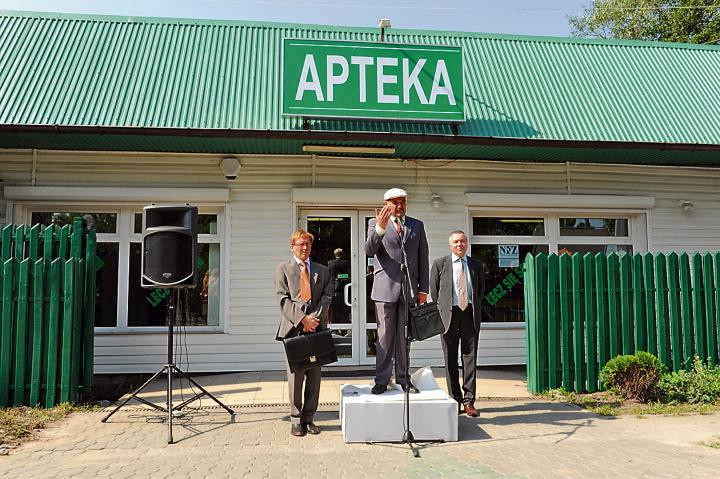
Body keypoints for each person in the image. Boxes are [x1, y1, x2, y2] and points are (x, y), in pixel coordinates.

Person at [365, 188, 429, 395]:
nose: (400, 206)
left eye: (403, 202)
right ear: (386, 204)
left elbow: (423, 257)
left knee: (404, 336)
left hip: (409, 288)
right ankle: (382, 380)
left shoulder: (416, 225)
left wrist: (423, 289)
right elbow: (369, 250)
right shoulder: (374, 223)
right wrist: (380, 229)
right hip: (385, 288)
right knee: (384, 337)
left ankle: (403, 378)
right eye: (395, 202)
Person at [275, 229, 332, 436]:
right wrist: (303, 319)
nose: (305, 247)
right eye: (300, 244)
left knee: (314, 377)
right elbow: (283, 299)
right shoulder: (283, 269)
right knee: (296, 378)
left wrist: (313, 319)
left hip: (316, 330)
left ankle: (309, 419)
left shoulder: (322, 270)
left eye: (308, 244)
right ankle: (296, 420)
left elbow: (327, 296)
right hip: (294, 331)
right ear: (292, 247)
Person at [430, 230, 485, 417]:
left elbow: (480, 291)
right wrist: (444, 311)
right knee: (450, 359)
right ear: (450, 245)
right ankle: (455, 399)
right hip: (449, 317)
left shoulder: (477, 265)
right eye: (455, 242)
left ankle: (469, 402)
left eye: (462, 241)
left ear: (467, 244)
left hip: (469, 314)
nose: (459, 244)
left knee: (470, 358)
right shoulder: (440, 264)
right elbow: (435, 292)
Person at [327, 248, 350, 323]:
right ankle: (343, 324)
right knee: (343, 308)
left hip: (333, 288)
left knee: (334, 308)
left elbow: (328, 275)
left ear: (335, 254)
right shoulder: (346, 263)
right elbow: (347, 275)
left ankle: (334, 324)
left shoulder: (330, 263)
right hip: (344, 288)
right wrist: (341, 277)